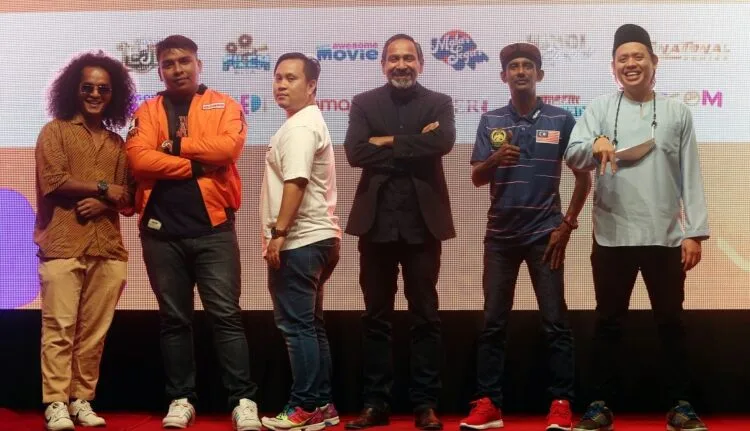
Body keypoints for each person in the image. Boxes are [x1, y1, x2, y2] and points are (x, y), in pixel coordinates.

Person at [564, 24, 710, 431]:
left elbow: (691, 175)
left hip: (665, 236)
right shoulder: (598, 110)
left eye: (638, 56)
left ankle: (680, 405)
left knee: (671, 323)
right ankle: (599, 405)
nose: (631, 64)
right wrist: (594, 145)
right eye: (623, 58)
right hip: (612, 235)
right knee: (608, 323)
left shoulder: (678, 113)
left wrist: (695, 232)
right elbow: (573, 155)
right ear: (613, 67)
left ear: (653, 62)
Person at [125, 35, 260, 430]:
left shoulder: (224, 104)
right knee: (174, 320)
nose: (177, 69)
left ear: (198, 63)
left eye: (184, 61)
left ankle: (243, 399)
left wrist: (173, 146)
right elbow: (139, 160)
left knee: (226, 317)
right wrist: (197, 165)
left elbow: (227, 151)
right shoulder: (147, 110)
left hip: (214, 230)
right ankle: (181, 398)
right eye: (168, 64)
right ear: (160, 70)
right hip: (160, 233)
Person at [459, 42, 591, 431]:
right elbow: (476, 177)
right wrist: (494, 160)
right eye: (514, 66)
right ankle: (489, 405)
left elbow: (584, 178)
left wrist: (567, 225)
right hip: (500, 237)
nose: (521, 71)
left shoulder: (561, 119)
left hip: (544, 236)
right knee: (493, 323)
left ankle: (561, 403)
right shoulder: (491, 121)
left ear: (539, 74)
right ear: (503, 76)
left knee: (555, 322)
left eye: (528, 66)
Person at [343, 33, 456, 431]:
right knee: (376, 317)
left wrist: (387, 141)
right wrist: (415, 145)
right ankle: (376, 403)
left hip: (423, 224)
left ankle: (425, 404)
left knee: (425, 316)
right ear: (383, 64)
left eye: (409, 58)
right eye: (394, 58)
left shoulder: (439, 102)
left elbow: (443, 142)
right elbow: (355, 152)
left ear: (421, 64)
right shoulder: (364, 102)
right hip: (376, 223)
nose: (401, 65)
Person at [35, 51, 136, 431]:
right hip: (62, 244)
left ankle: (81, 399)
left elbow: (129, 197)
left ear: (114, 95)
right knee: (59, 329)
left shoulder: (117, 143)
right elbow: (54, 182)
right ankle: (56, 402)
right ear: (73, 90)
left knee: (93, 334)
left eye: (103, 89)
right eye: (88, 87)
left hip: (107, 247)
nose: (95, 94)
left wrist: (106, 200)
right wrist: (104, 188)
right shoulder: (55, 132)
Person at [259, 52, 342, 431]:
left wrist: (278, 234)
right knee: (310, 326)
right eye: (278, 77)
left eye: (291, 78)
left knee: (297, 328)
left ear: (311, 86)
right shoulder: (305, 122)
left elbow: (296, 182)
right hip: (317, 238)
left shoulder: (300, 127)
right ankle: (322, 405)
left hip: (301, 241)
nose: (281, 84)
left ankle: (305, 406)